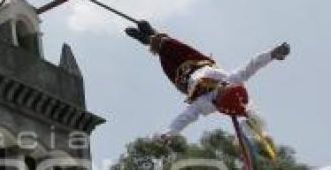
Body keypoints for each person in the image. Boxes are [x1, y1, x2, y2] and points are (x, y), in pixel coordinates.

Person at [124, 21, 290, 136]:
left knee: (164, 57)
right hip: (197, 61)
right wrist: (273, 54)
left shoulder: (206, 105)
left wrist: (168, 133)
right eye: (225, 87)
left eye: (221, 92)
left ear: (219, 100)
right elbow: (253, 65)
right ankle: (152, 34)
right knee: (171, 45)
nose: (222, 86)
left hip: (182, 78)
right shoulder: (233, 80)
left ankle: (148, 40)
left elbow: (186, 117)